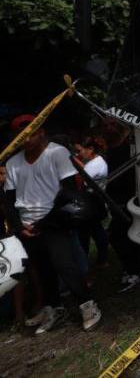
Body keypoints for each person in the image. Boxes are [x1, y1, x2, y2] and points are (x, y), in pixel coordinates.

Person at [3, 115, 102, 334]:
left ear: (41, 132)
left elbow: (68, 191)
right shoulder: (13, 163)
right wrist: (19, 226)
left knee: (64, 264)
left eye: (30, 133)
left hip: (54, 219)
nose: (26, 139)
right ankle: (54, 309)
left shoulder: (57, 153)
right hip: (27, 225)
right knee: (42, 270)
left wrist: (46, 221)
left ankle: (88, 305)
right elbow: (8, 201)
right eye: (21, 136)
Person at [100, 118, 140, 292]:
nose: (106, 128)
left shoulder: (128, 147)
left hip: (128, 197)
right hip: (115, 198)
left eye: (110, 125)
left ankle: (136, 270)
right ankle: (133, 268)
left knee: (120, 235)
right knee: (121, 235)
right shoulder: (111, 149)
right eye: (104, 125)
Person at [74, 136, 110, 270]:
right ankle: (99, 260)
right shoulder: (94, 162)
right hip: (91, 202)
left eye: (80, 150)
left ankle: (93, 262)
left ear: (90, 149)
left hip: (92, 203)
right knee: (94, 232)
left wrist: (74, 160)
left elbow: (81, 180)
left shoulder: (95, 164)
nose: (78, 154)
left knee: (88, 234)